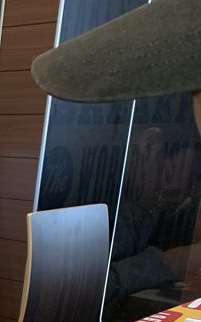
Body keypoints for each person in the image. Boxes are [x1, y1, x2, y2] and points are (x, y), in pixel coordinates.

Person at [31, 0, 201, 299]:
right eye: (170, 177)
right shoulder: (96, 204)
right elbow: (70, 290)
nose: (182, 191)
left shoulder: (152, 209)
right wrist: (169, 262)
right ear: (149, 147)